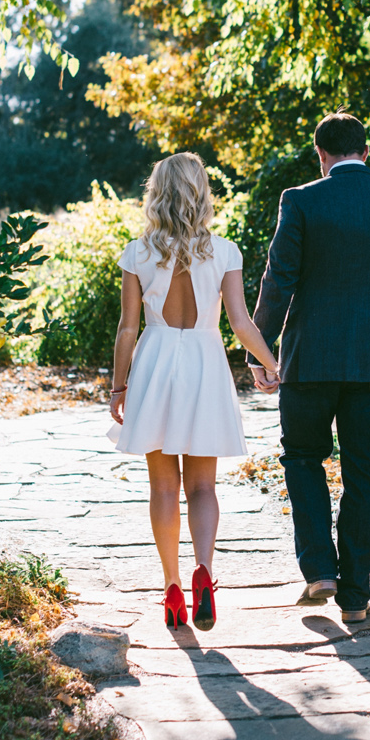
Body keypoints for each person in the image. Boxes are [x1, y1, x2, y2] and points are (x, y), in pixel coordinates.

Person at [248, 112, 370, 624]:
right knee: (366, 474)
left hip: (311, 359)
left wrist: (259, 350)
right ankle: (356, 595)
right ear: (366, 153)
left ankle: (319, 570)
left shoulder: (301, 199)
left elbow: (279, 277)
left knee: (303, 458)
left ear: (320, 154)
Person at [109, 152, 279, 632]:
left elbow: (127, 328)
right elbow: (241, 323)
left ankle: (171, 587)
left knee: (163, 486)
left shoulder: (137, 252)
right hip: (205, 362)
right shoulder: (224, 251)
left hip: (156, 360)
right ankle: (205, 569)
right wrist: (272, 364)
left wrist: (118, 386)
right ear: (201, 193)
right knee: (203, 486)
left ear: (156, 194)